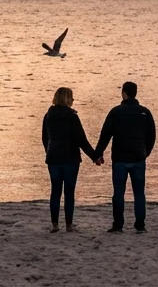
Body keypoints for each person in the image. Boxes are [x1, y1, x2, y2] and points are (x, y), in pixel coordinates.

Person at [95, 81, 156, 233]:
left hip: (120, 158)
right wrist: (145, 152)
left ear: (124, 93)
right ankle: (140, 225)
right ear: (135, 93)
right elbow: (152, 135)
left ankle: (118, 225)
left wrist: (98, 153)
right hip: (138, 158)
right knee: (139, 193)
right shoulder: (145, 112)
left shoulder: (116, 112)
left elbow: (105, 134)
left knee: (118, 193)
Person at [42, 87, 100, 232]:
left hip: (53, 158)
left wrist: (49, 152)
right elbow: (81, 140)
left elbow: (45, 138)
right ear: (67, 99)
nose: (73, 100)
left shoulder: (48, 116)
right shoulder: (72, 117)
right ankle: (68, 225)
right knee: (69, 192)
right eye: (71, 97)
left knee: (55, 191)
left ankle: (55, 225)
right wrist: (94, 156)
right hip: (70, 159)